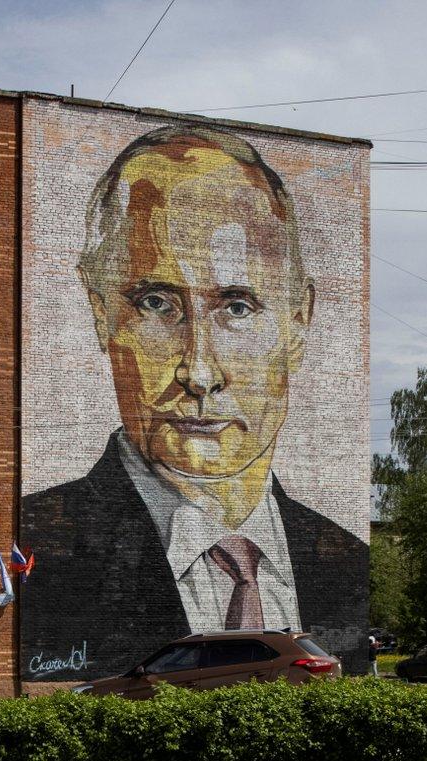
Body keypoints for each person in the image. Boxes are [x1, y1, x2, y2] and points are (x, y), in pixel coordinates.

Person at [20, 123, 370, 680]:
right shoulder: (39, 548)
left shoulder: (346, 558)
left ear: (299, 320)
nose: (200, 373)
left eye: (237, 306)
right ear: (101, 311)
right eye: (156, 303)